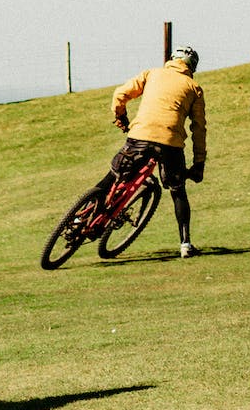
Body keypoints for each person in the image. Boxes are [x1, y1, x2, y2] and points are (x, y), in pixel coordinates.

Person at [81, 45, 207, 256]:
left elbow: (120, 94)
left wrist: (120, 117)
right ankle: (185, 244)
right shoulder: (194, 88)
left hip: (139, 136)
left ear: (171, 59)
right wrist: (199, 162)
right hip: (170, 144)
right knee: (177, 191)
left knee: (113, 177)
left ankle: (78, 217)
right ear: (192, 66)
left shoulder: (152, 74)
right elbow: (199, 128)